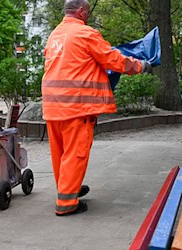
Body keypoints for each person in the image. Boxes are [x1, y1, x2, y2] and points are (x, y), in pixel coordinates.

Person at [42, 0, 151, 216]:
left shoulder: (56, 34)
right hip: (77, 106)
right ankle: (67, 204)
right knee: (76, 153)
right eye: (88, 12)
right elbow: (112, 59)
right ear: (81, 11)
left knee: (61, 153)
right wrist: (140, 65)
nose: (89, 16)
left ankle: (67, 188)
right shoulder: (86, 34)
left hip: (53, 105)